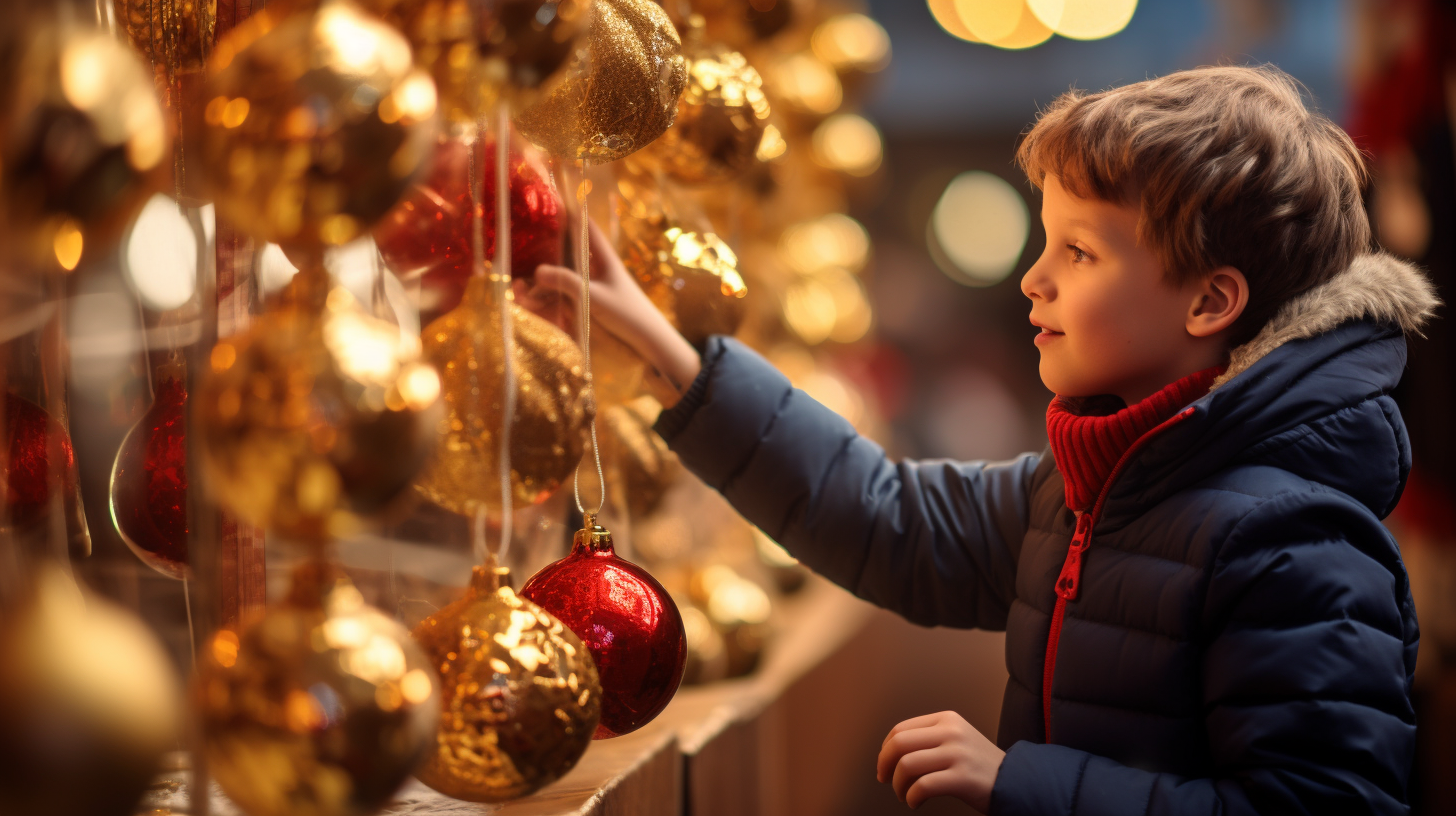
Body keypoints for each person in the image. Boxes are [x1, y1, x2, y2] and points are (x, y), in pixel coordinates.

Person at [526, 65, 1438, 814]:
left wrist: (1019, 782)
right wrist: (669, 350)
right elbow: (889, 519)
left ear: (1210, 301)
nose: (1032, 279)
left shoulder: (1297, 545)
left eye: (1078, 252)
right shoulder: (1088, 489)